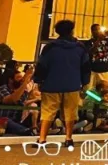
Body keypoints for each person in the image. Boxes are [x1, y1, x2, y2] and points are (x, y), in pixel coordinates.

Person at [34, 19, 90, 148]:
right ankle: (68, 138)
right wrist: (84, 82)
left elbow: (42, 65)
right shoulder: (80, 48)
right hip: (73, 84)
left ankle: (42, 139)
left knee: (48, 112)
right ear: (71, 30)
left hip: (51, 84)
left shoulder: (50, 47)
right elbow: (85, 66)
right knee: (70, 112)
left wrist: (39, 80)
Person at [84, 24, 108, 91]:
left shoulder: (107, 41)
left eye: (99, 29)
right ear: (92, 31)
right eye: (95, 29)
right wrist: (99, 39)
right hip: (92, 71)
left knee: (105, 90)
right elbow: (91, 52)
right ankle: (93, 101)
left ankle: (101, 101)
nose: (97, 31)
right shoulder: (88, 42)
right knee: (89, 90)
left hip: (105, 70)